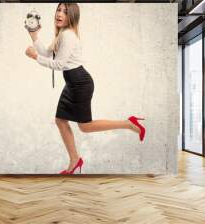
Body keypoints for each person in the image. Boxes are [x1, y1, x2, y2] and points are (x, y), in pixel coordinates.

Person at [25, 3, 146, 174]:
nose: (59, 14)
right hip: (72, 84)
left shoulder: (68, 35)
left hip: (81, 84)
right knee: (61, 120)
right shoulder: (62, 34)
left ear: (72, 16)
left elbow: (58, 64)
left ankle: (128, 123)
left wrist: (35, 57)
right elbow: (48, 53)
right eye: (59, 10)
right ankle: (75, 160)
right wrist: (34, 36)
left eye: (65, 12)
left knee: (85, 126)